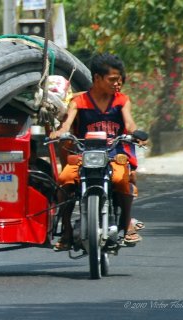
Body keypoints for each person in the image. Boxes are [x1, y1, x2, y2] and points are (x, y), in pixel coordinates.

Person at [50, 53, 144, 251]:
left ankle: (127, 225)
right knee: (64, 181)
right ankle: (66, 231)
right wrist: (59, 132)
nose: (117, 83)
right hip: (85, 156)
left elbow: (129, 122)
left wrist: (135, 133)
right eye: (112, 79)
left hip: (114, 154)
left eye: (119, 79)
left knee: (121, 180)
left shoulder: (121, 101)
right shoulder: (79, 101)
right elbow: (67, 124)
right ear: (97, 78)